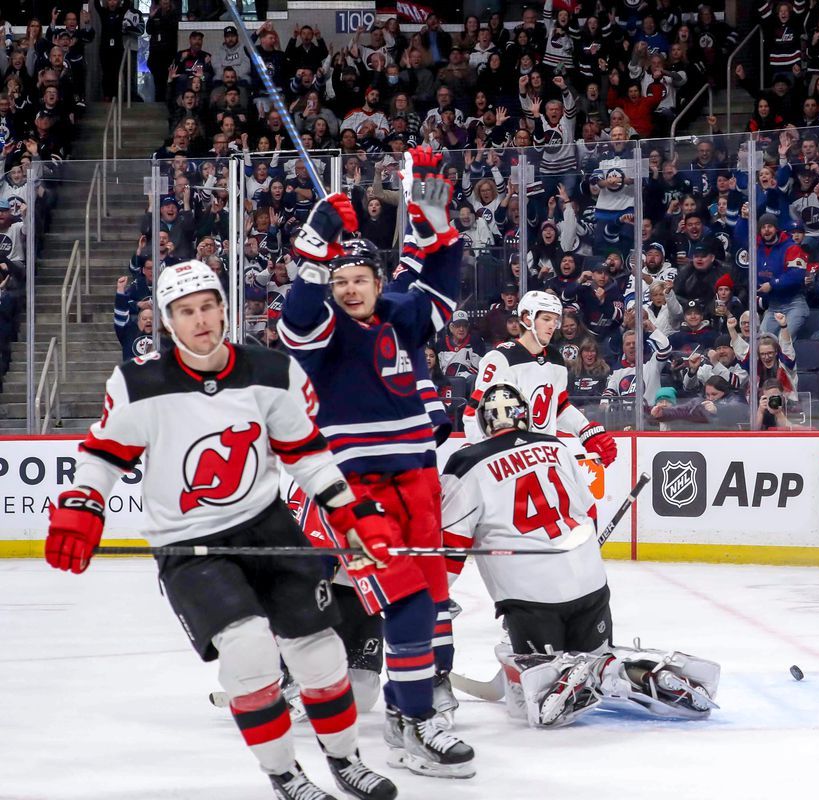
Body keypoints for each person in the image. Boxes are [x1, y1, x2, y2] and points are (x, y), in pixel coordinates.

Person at [45, 260, 397, 800]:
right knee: (249, 653)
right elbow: (102, 455)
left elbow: (305, 452)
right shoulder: (139, 384)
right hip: (189, 543)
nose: (201, 320)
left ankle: (345, 760)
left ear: (224, 308)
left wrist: (350, 509)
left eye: (208, 306)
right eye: (186, 311)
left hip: (267, 526)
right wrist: (82, 501)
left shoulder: (270, 371)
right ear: (167, 321)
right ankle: (284, 773)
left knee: (321, 653)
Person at [279, 148, 475, 779]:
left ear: (375, 279)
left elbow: (441, 284)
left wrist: (435, 217)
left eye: (359, 278)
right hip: (354, 493)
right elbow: (297, 320)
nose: (350, 288)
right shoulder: (325, 334)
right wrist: (317, 243)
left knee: (430, 600)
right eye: (340, 283)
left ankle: (406, 711)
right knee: (406, 598)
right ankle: (413, 717)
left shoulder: (400, 315)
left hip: (418, 479)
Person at [442, 382, 719, 728]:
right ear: (525, 416)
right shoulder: (555, 446)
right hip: (590, 585)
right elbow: (587, 514)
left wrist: (430, 596)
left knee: (523, 704)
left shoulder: (466, 463)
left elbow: (450, 545)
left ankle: (555, 673)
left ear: (484, 423)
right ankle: (614, 669)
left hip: (531, 598)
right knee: (596, 660)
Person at [463, 290, 618, 469]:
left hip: (543, 457)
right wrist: (481, 449)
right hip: (509, 462)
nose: (552, 325)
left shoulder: (556, 360)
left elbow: (558, 408)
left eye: (555, 320)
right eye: (546, 319)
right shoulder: (500, 358)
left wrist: (585, 430)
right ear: (527, 319)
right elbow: (473, 414)